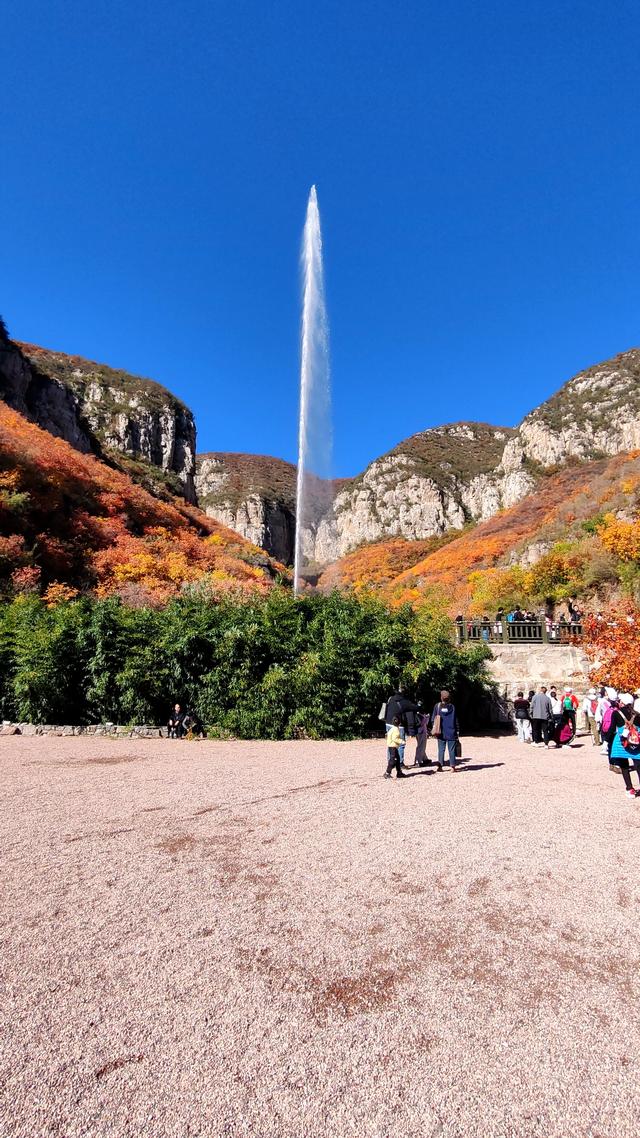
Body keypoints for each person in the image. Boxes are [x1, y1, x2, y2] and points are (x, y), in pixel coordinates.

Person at [607, 694, 640, 799]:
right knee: (638, 766)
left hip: (621, 742)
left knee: (624, 767)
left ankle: (629, 789)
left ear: (623, 702)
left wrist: (606, 740)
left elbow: (612, 729)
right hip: (635, 742)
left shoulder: (616, 713)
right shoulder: (637, 714)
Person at [385, 688, 421, 768]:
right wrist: (419, 704)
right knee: (400, 744)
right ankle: (400, 763)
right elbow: (415, 708)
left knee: (390, 742)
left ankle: (390, 761)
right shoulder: (404, 702)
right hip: (398, 724)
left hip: (388, 723)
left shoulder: (391, 699)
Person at [431, 690, 459, 771]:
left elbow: (433, 718)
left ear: (441, 697)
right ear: (449, 698)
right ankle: (453, 766)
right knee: (452, 749)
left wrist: (434, 727)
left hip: (440, 731)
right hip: (451, 731)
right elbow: (455, 720)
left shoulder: (437, 706)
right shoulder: (453, 707)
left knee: (441, 749)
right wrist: (457, 730)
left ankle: (440, 766)